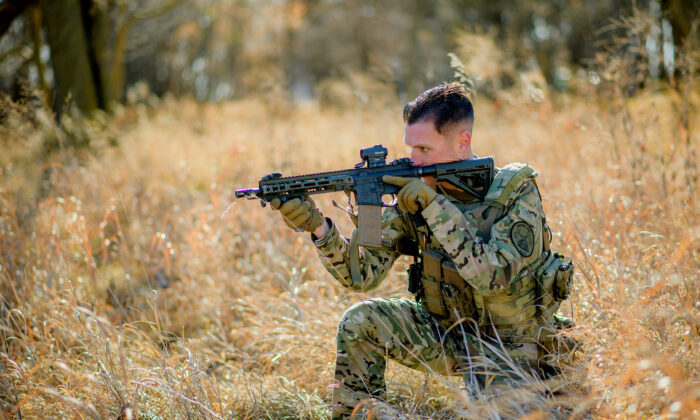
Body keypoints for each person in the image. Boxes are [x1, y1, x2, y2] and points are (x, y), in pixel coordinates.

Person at [270, 82, 573, 419]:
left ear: (462, 142)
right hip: (449, 335)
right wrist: (319, 228)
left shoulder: (514, 192)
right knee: (359, 321)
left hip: (514, 345)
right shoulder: (413, 193)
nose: (413, 160)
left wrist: (433, 206)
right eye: (411, 148)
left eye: (425, 149)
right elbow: (362, 275)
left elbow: (494, 276)